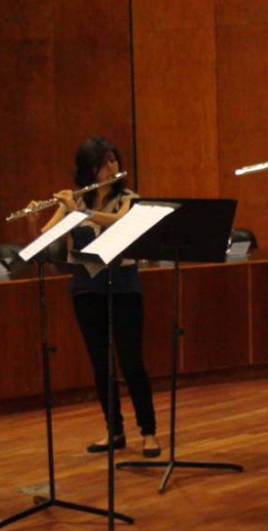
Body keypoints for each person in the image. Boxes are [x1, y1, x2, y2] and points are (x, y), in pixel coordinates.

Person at [33, 136, 160, 459]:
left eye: (113, 161)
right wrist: (38, 218)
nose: (110, 167)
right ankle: (114, 430)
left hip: (124, 287)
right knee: (101, 364)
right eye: (103, 163)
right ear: (89, 169)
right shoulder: (76, 201)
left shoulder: (130, 198)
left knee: (131, 362)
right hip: (86, 290)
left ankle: (148, 432)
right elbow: (47, 238)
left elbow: (123, 224)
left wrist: (79, 213)